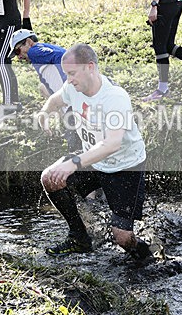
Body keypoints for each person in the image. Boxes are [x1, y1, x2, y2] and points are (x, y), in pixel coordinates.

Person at [37, 44, 151, 261]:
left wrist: (73, 163)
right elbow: (56, 99)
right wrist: (44, 113)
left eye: (72, 73)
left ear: (90, 67)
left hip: (124, 167)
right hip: (93, 159)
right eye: (67, 74)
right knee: (50, 178)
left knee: (123, 238)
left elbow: (112, 144)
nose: (69, 79)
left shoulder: (114, 97)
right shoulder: (73, 87)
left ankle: (151, 257)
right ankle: (79, 238)